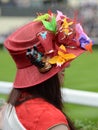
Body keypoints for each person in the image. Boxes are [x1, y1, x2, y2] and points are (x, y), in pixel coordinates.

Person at [3, 10, 93, 130]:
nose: (67, 66)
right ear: (44, 66)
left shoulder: (8, 108)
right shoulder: (50, 119)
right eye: (61, 62)